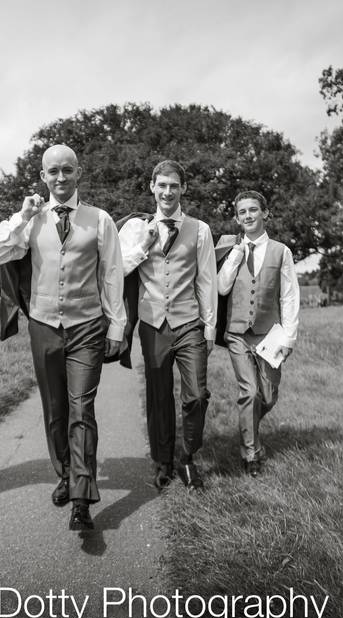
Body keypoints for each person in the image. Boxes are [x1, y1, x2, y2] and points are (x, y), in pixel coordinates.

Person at [0, 144, 125, 531]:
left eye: (67, 170)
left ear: (78, 173)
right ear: (43, 177)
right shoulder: (30, 219)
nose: (60, 178)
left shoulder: (100, 220)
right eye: (52, 172)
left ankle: (82, 496)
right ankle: (64, 473)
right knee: (54, 410)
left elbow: (112, 275)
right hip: (44, 326)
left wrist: (117, 326)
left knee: (81, 408)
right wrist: (21, 217)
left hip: (87, 326)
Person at [119, 160, 217, 490]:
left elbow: (206, 280)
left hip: (189, 321)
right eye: (162, 185)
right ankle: (163, 461)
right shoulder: (135, 229)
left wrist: (210, 326)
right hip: (152, 322)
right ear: (151, 187)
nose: (167, 191)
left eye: (174, 185)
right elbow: (117, 270)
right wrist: (144, 246)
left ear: (183, 189)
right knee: (159, 396)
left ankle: (188, 457)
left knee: (197, 395)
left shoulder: (200, 229)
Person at [215, 190, 299, 476]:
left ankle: (246, 425)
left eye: (253, 210)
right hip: (237, 333)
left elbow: (289, 296)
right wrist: (235, 256)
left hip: (269, 334)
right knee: (249, 392)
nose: (248, 216)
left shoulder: (281, 251)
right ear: (237, 219)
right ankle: (251, 453)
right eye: (242, 213)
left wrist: (289, 337)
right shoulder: (231, 250)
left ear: (265, 213)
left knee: (268, 395)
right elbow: (222, 287)